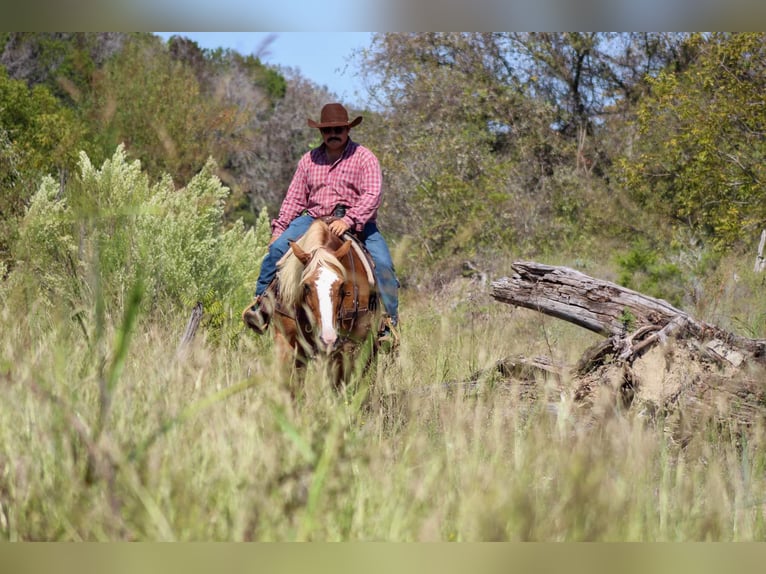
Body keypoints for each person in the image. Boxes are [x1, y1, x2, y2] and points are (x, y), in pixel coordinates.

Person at [246, 103, 400, 345]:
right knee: (276, 251)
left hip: (357, 222)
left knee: (383, 264)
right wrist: (279, 230)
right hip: (314, 218)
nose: (333, 134)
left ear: (348, 130)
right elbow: (294, 198)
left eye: (338, 129)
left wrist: (349, 220)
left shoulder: (364, 157)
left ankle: (388, 323)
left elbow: (372, 195)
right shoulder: (309, 161)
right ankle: (261, 306)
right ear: (321, 133)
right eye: (327, 130)